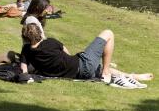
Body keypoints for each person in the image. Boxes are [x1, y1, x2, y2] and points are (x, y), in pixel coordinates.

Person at [20, 24, 153, 88]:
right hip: (82, 65)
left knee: (98, 66)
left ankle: (133, 76)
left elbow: (24, 72)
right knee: (108, 33)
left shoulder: (26, 50)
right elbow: (67, 54)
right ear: (40, 34)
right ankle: (106, 73)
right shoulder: (51, 42)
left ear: (25, 38)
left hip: (78, 73)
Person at [0, 0, 52, 66]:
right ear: (38, 7)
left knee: (10, 56)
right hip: (36, 58)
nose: (47, 10)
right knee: (10, 55)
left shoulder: (33, 19)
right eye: (45, 7)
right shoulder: (31, 20)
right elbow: (35, 44)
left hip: (37, 58)